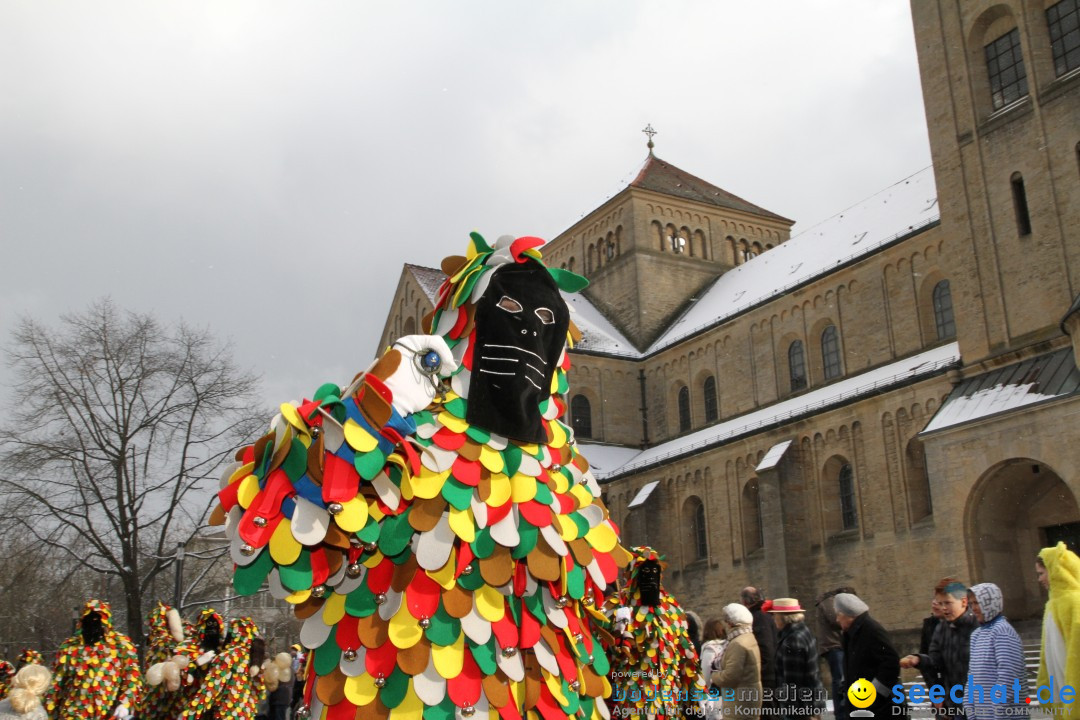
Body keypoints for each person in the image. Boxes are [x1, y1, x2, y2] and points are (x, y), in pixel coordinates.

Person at [45, 599, 142, 720]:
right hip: (73, 714)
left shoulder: (121, 646)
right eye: (88, 620)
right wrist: (46, 712)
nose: (92, 624)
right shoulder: (70, 648)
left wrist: (125, 704)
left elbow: (132, 678)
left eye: (97, 620)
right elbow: (56, 685)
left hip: (107, 715)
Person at [900, 578, 975, 715]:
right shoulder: (941, 628)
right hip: (955, 704)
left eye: (948, 603)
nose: (943, 608)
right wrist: (918, 660)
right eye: (941, 603)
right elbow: (935, 661)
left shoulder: (978, 626)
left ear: (963, 602)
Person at [964, 583, 1027, 720]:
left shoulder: (1002, 632)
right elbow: (972, 676)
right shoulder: (976, 635)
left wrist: (998, 711)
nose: (974, 608)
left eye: (978, 603)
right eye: (971, 603)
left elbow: (1008, 677)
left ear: (992, 602)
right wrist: (970, 708)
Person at [834, 593, 902, 718]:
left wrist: (875, 693)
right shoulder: (850, 635)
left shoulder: (871, 630)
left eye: (838, 615)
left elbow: (891, 662)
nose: (837, 620)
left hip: (879, 708)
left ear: (848, 615)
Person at [1037, 543, 1080, 720]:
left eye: (1041, 573)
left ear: (1055, 570)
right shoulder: (1051, 605)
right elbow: (1046, 653)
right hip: (1062, 695)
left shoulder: (1074, 602)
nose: (1039, 579)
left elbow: (1076, 655)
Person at [769, 598, 825, 720]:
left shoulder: (793, 640)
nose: (773, 619)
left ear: (783, 618)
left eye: (775, 616)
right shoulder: (803, 630)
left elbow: (793, 680)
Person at [711, 603, 762, 719]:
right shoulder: (749, 636)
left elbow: (730, 677)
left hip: (739, 702)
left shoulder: (737, 643)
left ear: (731, 623)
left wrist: (714, 676)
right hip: (749, 697)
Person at [815, 586, 854, 720]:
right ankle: (841, 713)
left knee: (841, 679)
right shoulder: (828, 602)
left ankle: (844, 710)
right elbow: (834, 619)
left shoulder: (830, 601)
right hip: (833, 645)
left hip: (835, 645)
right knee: (839, 680)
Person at [741, 586, 778, 690]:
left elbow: (766, 648)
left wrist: (761, 674)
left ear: (744, 602)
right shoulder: (764, 616)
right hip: (770, 674)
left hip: (766, 678)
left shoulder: (757, 618)